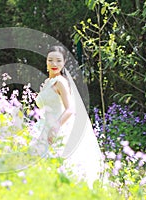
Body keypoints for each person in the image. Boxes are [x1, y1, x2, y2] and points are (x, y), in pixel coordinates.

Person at [29, 45, 104, 189]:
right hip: (44, 127)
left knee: (60, 168)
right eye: (50, 60)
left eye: (58, 60)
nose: (54, 64)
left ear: (64, 63)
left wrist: (55, 127)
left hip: (58, 127)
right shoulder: (47, 83)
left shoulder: (61, 82)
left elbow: (70, 109)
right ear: (46, 62)